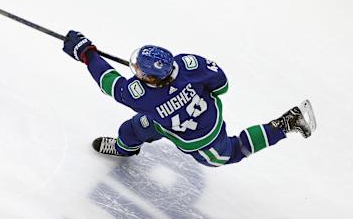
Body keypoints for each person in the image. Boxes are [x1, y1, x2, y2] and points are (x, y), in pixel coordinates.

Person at [62, 31, 317, 167]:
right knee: (130, 130)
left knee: (232, 152)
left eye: (140, 71)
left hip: (204, 139)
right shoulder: (187, 64)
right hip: (184, 120)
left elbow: (110, 83)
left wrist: (86, 53)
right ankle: (124, 149)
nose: (135, 71)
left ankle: (284, 124)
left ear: (151, 79)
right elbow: (222, 84)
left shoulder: (141, 96)